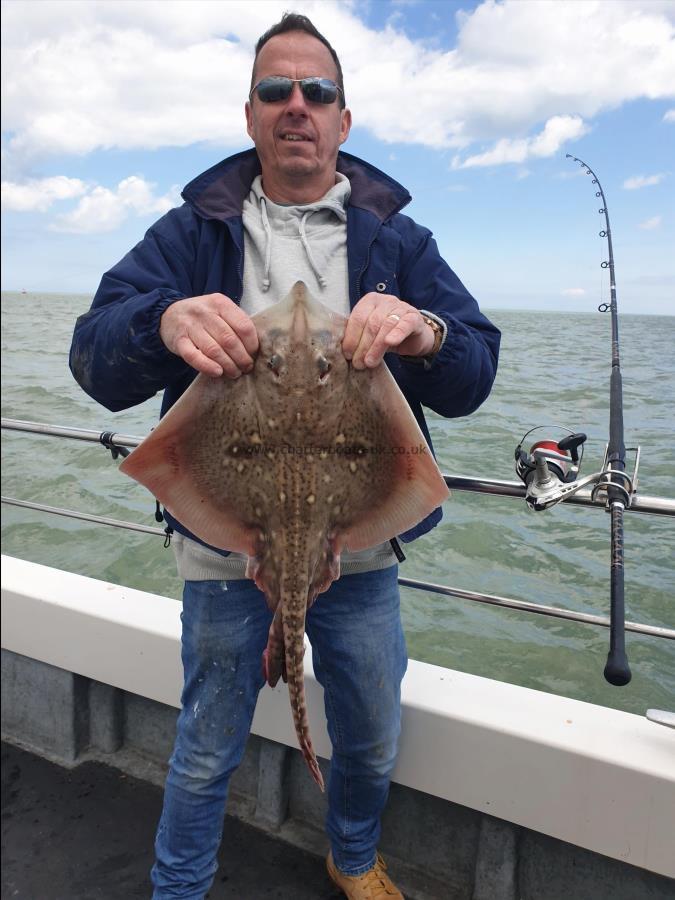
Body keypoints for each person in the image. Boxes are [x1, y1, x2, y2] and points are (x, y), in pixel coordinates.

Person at [70, 12, 500, 900]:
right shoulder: (192, 233)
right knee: (203, 750)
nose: (296, 105)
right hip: (227, 549)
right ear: (251, 115)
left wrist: (426, 330)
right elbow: (93, 357)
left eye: (316, 92)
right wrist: (162, 320)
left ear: (344, 119)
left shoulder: (399, 243)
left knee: (372, 731)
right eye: (276, 90)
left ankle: (351, 856)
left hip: (362, 548)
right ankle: (177, 888)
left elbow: (473, 371)